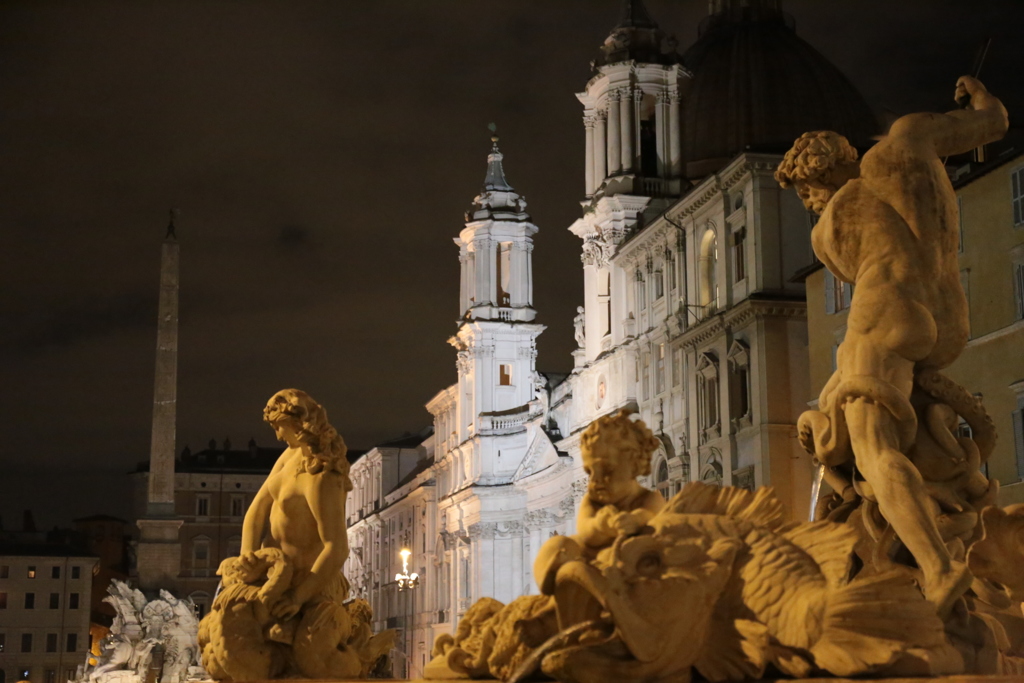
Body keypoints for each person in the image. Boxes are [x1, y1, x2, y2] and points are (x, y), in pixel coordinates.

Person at [774, 76, 1008, 617]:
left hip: (883, 309)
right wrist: (977, 95)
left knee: (875, 448)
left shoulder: (829, 225)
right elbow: (993, 122)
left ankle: (939, 565)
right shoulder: (907, 143)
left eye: (806, 194)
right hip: (945, 317)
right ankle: (949, 498)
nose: (810, 205)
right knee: (857, 408)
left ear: (818, 176)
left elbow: (859, 304)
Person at [534, 409, 666, 595]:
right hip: (591, 558)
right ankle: (552, 579)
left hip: (629, 563)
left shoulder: (649, 498)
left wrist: (638, 519)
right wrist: (600, 525)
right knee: (557, 544)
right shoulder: (593, 499)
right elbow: (585, 531)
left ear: (635, 464)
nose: (595, 480)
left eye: (607, 469)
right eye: (589, 471)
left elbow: (657, 520)